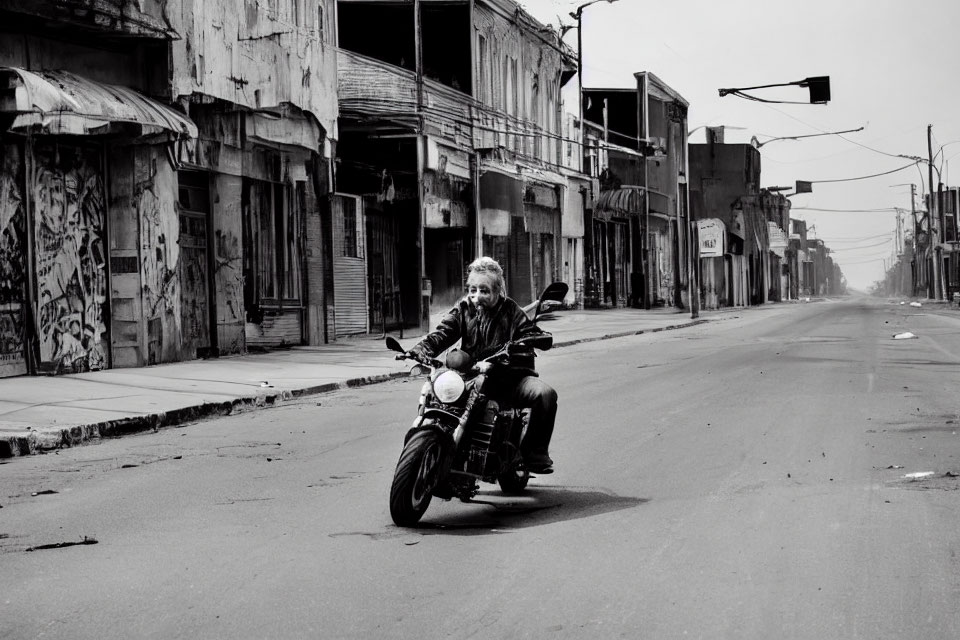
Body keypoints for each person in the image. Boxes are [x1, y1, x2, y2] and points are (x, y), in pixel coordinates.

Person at [408, 256, 558, 473]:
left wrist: (533, 339)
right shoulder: (464, 309)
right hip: (472, 376)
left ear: (498, 291)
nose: (477, 296)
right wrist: (421, 350)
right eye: (472, 290)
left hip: (509, 378)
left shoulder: (511, 311)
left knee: (545, 394)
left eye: (484, 291)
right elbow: (443, 333)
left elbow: (530, 332)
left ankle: (534, 453)